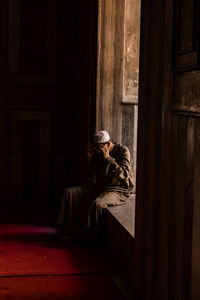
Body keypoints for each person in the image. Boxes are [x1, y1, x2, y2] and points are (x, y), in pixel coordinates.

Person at [57, 130, 134, 242]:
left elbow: (124, 174)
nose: (97, 149)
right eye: (95, 146)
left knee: (97, 204)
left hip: (118, 190)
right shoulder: (97, 152)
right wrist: (89, 158)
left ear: (108, 144)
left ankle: (90, 238)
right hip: (100, 186)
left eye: (100, 147)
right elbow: (91, 175)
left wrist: (108, 158)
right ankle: (68, 231)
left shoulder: (123, 151)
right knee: (69, 193)